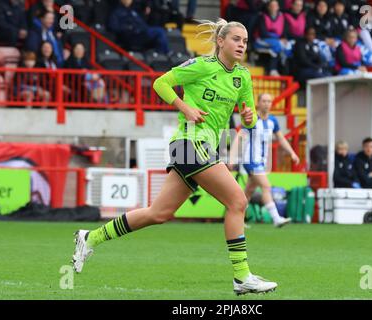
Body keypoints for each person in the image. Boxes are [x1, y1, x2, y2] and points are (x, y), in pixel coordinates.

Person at [71, 18, 279, 295]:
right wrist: (185, 107)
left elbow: (250, 121)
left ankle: (91, 237)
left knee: (159, 213)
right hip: (189, 143)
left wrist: (249, 118)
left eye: (245, 40)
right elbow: (161, 83)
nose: (242, 44)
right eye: (236, 39)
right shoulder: (201, 66)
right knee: (238, 201)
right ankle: (242, 277)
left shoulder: (243, 76)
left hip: (204, 148)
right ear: (220, 41)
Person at [230, 93, 300, 227]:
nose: (267, 104)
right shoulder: (252, 119)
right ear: (258, 103)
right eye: (264, 101)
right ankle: (276, 219)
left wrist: (292, 153)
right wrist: (232, 158)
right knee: (266, 186)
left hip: (262, 161)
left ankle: (237, 219)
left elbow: (281, 138)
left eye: (269, 101)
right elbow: (239, 137)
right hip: (250, 160)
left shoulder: (273, 121)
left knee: (248, 191)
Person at [254, 0, 293, 76]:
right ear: (268, 7)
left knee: (288, 45)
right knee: (277, 45)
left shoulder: (282, 17)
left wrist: (284, 38)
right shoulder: (262, 16)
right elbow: (263, 33)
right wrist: (277, 38)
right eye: (272, 5)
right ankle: (273, 69)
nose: (274, 7)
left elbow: (285, 30)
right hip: (261, 40)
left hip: (276, 40)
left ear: (278, 7)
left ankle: (284, 70)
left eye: (276, 5)